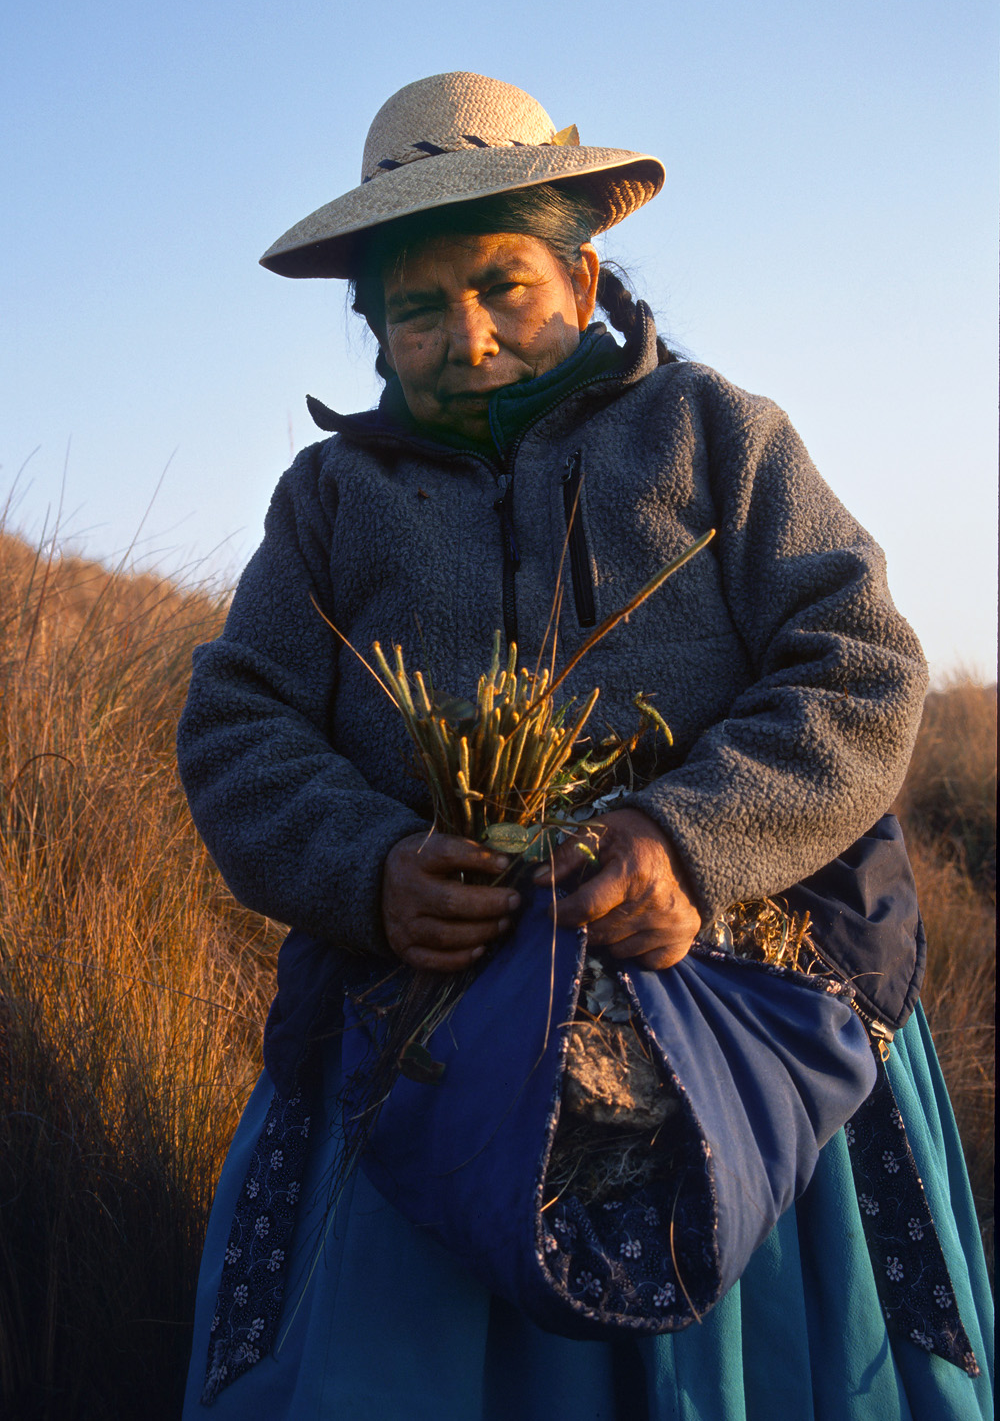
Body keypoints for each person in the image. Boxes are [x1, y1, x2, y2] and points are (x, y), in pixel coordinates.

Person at [177, 72, 993, 1418]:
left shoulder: (715, 433)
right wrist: (373, 868)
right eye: (421, 308)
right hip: (432, 1040)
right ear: (374, 324)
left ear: (582, 270)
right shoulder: (332, 499)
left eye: (505, 286)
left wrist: (690, 843)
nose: (471, 336)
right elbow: (241, 726)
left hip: (743, 1011)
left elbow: (858, 666)